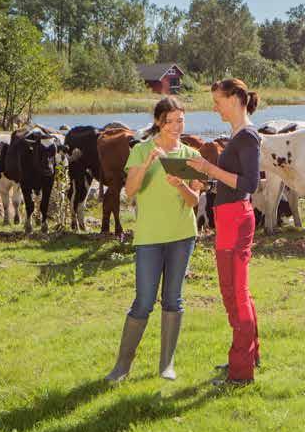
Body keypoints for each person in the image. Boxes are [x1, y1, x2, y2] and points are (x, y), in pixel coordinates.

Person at [104, 97, 202, 382]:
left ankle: (166, 365)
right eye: (170, 121)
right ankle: (122, 366)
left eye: (180, 120)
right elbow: (131, 191)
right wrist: (147, 163)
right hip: (149, 237)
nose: (176, 126)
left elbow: (193, 200)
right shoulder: (141, 150)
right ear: (159, 122)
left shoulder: (190, 155)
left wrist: (181, 184)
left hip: (182, 236)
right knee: (144, 301)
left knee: (173, 299)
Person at [187, 79, 261, 384]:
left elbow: (249, 184)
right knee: (236, 292)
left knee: (235, 293)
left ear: (234, 99)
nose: (214, 106)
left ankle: (240, 371)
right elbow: (235, 181)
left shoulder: (247, 137)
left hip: (235, 219)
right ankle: (249, 356)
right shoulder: (239, 135)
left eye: (217, 100)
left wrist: (209, 169)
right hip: (230, 215)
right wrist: (209, 181)